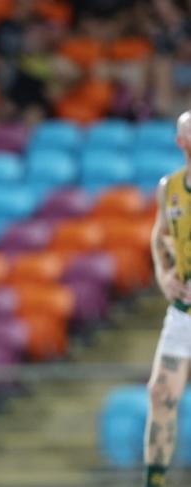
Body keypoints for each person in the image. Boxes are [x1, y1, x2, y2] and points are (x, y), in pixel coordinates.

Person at [145, 109, 191, 487]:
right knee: (160, 393)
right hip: (184, 310)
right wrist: (163, 275)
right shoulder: (169, 188)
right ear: (182, 143)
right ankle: (154, 482)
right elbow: (160, 235)